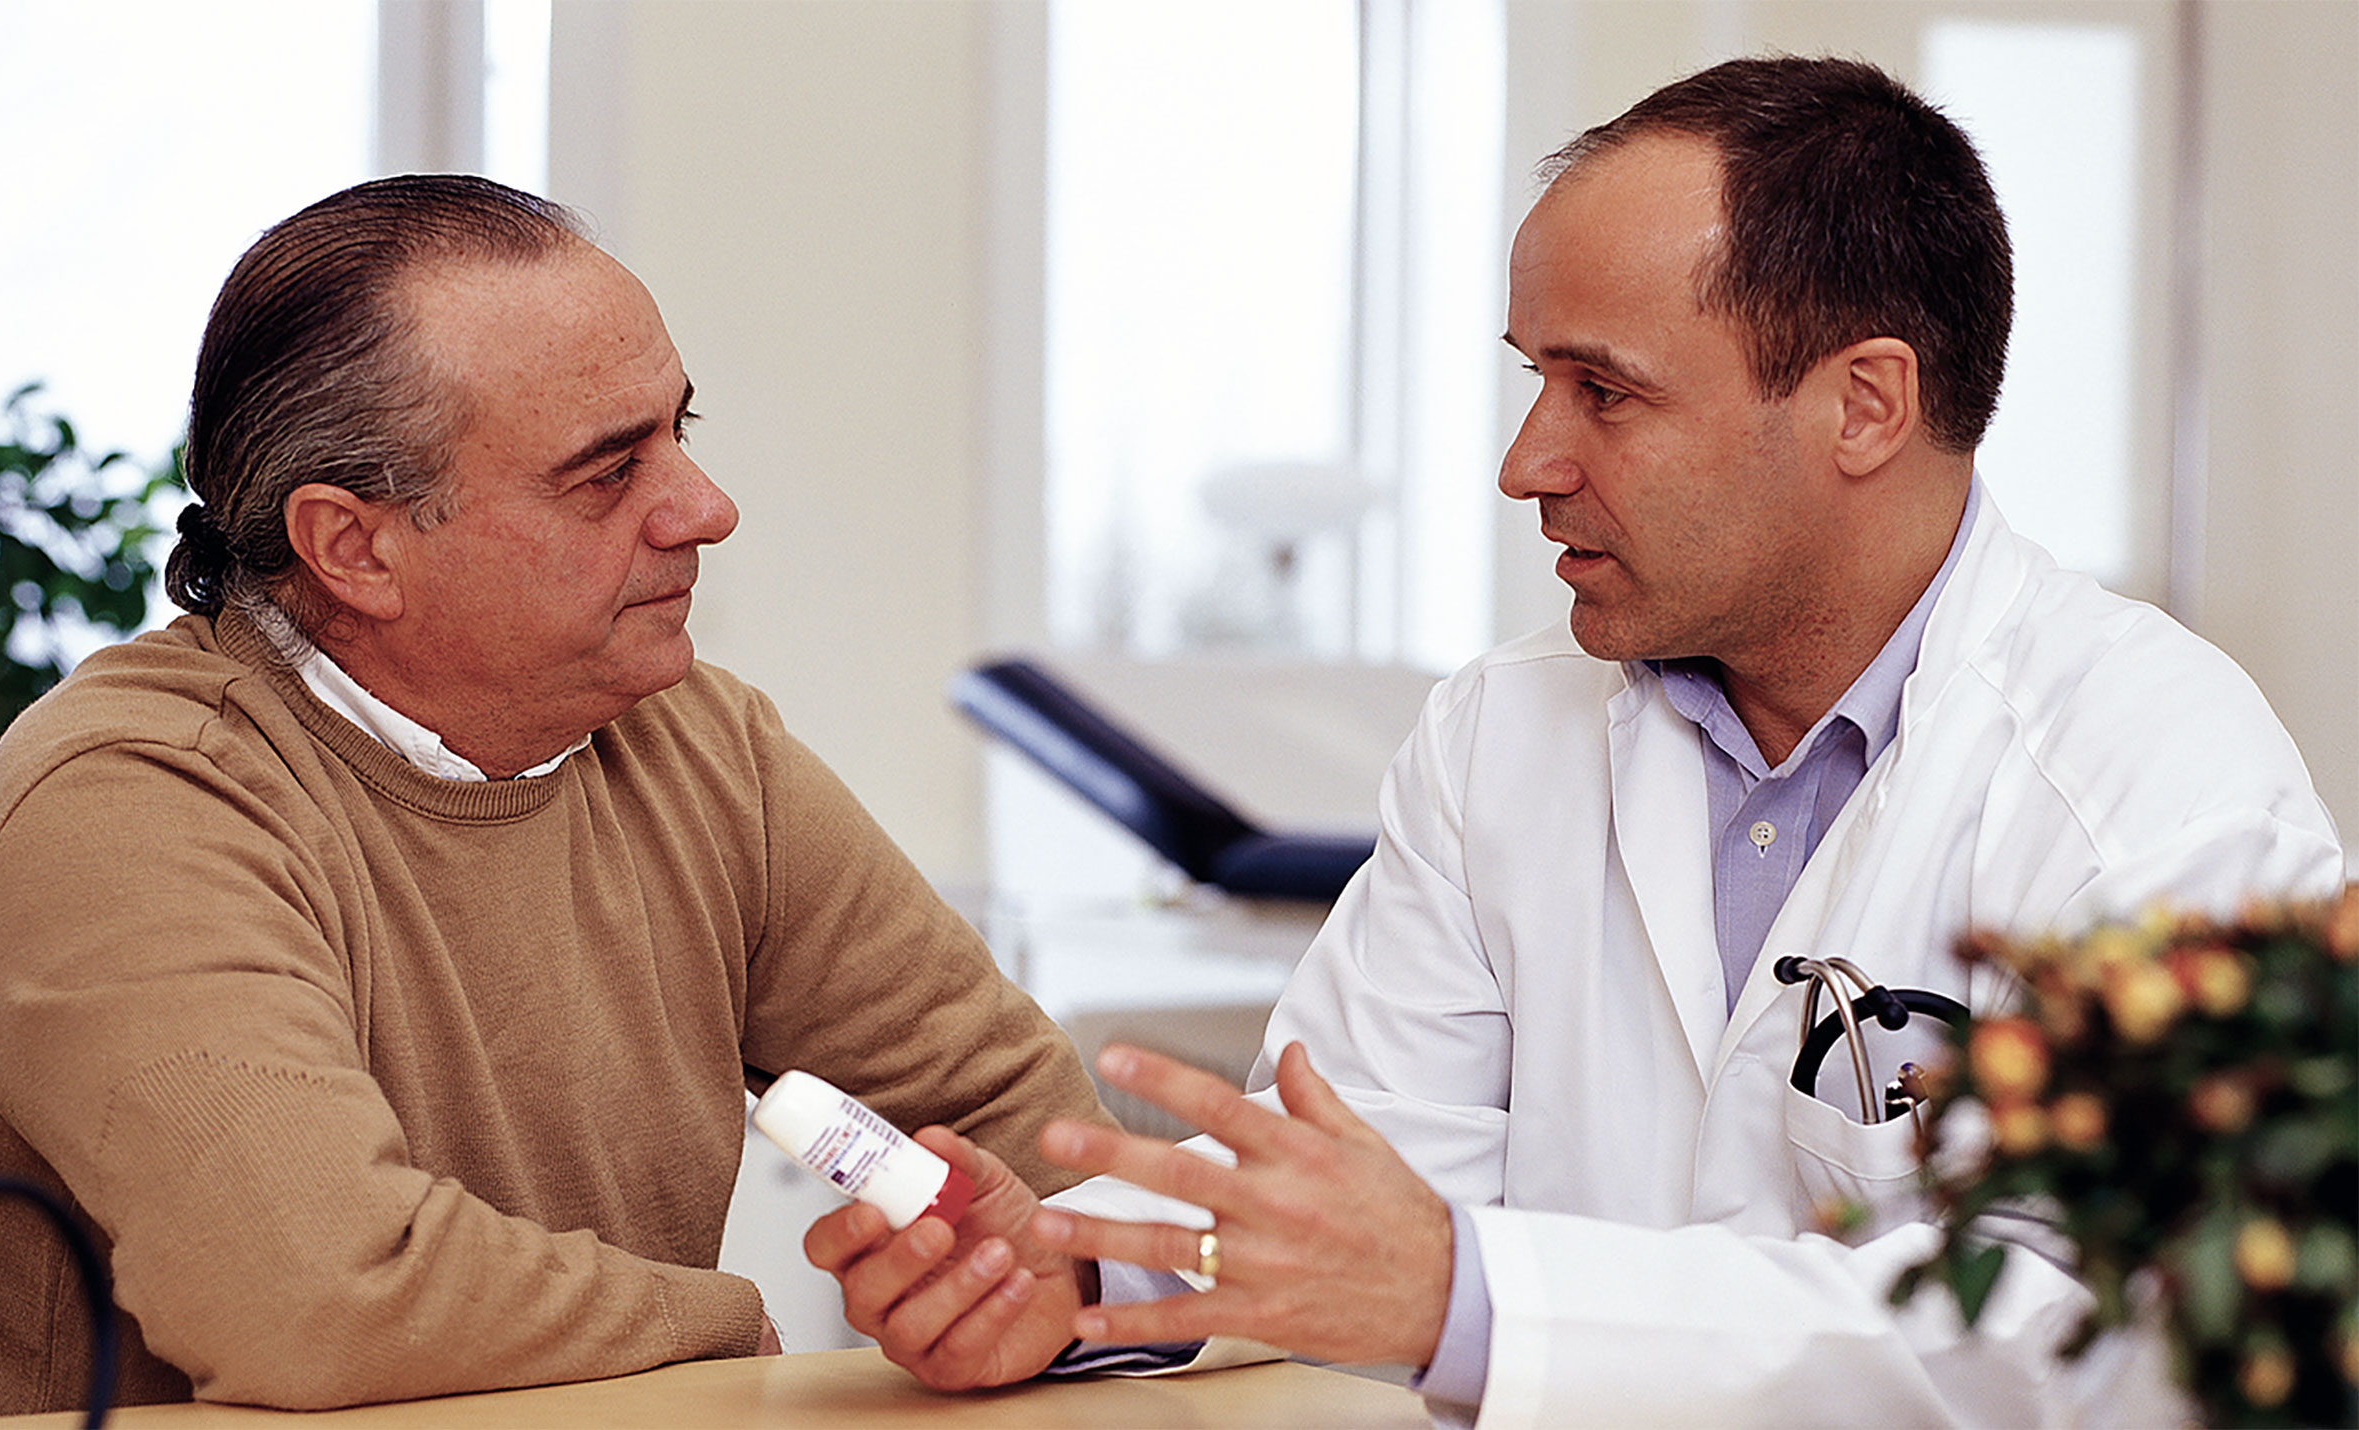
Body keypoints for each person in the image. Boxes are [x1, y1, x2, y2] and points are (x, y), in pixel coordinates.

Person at [803, 56, 2345, 1423]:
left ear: (1866, 405)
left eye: (1602, 390)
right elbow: (1361, 1179)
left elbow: (2103, 1334)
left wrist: (1470, 1300)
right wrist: (1069, 1276)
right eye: (1533, 377)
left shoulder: (2152, 785)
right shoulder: (1504, 730)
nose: (1525, 461)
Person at [0, 174, 1114, 1421]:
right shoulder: (128, 800)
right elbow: (317, 1300)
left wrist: (1046, 1276)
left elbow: (1040, 1141)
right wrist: (722, 1321)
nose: (705, 508)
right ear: (355, 547)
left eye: (681, 432)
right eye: (606, 472)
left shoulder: (699, 746)